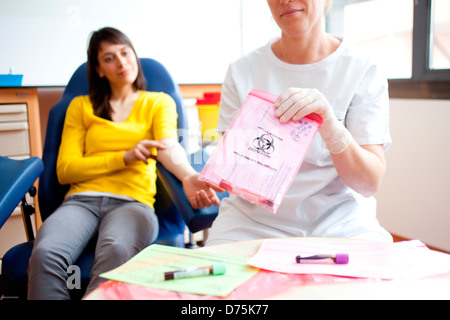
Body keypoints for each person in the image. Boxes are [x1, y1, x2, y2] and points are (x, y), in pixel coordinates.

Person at [27, 27, 221, 299]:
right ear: (98, 69)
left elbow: (168, 146)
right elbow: (65, 170)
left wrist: (188, 176)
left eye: (125, 52)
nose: (121, 62)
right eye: (109, 58)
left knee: (117, 249)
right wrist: (125, 157)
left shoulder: (157, 102)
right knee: (46, 253)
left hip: (132, 202)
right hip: (81, 201)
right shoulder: (80, 107)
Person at [206, 0, 393, 245]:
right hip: (250, 222)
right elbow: (233, 169)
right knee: (220, 278)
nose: (285, 1)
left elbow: (370, 183)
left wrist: (331, 128)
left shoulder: (362, 69)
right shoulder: (242, 71)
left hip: (341, 224)